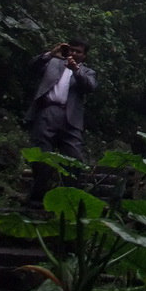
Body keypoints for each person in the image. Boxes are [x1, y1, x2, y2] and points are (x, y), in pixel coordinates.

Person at [24, 38, 98, 204]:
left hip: (71, 118)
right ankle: (36, 199)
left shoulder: (87, 72)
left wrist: (76, 70)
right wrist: (51, 54)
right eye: (71, 50)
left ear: (84, 56)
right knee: (42, 157)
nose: (74, 53)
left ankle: (68, 202)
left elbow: (90, 87)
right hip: (47, 112)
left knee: (74, 159)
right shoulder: (53, 63)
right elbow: (32, 67)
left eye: (78, 51)